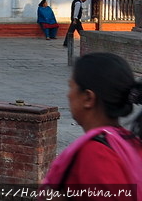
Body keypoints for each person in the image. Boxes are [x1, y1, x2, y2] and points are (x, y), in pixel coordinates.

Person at [42, 52, 142, 190]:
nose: (68, 94)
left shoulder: (95, 154)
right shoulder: (131, 142)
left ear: (88, 98)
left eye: (71, 87)